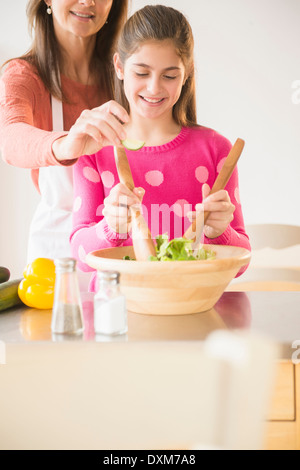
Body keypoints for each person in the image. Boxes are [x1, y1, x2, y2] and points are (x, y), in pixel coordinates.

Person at [71, 5, 251, 290]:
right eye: (141, 73)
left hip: (190, 310)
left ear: (187, 72)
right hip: (114, 315)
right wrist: (111, 228)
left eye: (169, 76)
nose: (154, 88)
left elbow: (242, 261)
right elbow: (79, 256)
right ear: (119, 67)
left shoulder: (216, 150)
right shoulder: (94, 149)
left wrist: (220, 233)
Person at [0, 0, 129, 272]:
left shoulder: (126, 75)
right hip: (56, 260)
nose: (88, 2)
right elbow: (10, 138)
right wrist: (66, 144)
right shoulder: (24, 76)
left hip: (121, 250)